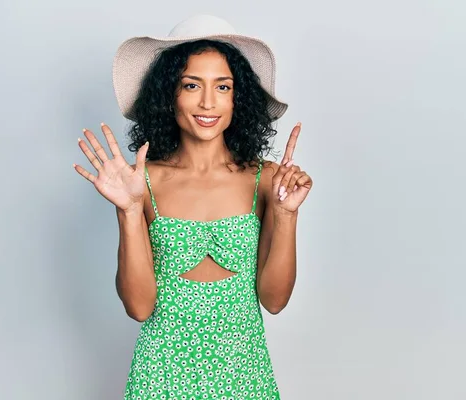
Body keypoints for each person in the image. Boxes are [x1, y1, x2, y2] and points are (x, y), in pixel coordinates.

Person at [73, 14, 313, 400]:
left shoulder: (264, 180)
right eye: (191, 85)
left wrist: (287, 214)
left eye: (223, 86)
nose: (207, 102)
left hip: (243, 374)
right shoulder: (142, 183)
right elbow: (138, 307)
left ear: (239, 97)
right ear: (169, 95)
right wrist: (129, 210)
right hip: (160, 375)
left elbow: (274, 300)